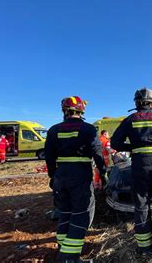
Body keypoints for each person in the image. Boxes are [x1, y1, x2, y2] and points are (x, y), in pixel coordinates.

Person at [111, 88, 152, 258]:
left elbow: (115, 142)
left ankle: (145, 248)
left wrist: (132, 148)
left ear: (136, 103)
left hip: (139, 164)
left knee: (141, 205)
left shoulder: (130, 120)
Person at [45, 96, 106, 262]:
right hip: (80, 176)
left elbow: (49, 158)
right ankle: (69, 257)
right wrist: (104, 173)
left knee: (65, 214)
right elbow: (97, 154)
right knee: (81, 214)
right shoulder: (88, 129)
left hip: (60, 176)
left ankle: (63, 249)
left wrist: (53, 176)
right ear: (82, 110)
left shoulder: (53, 130)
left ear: (64, 110)